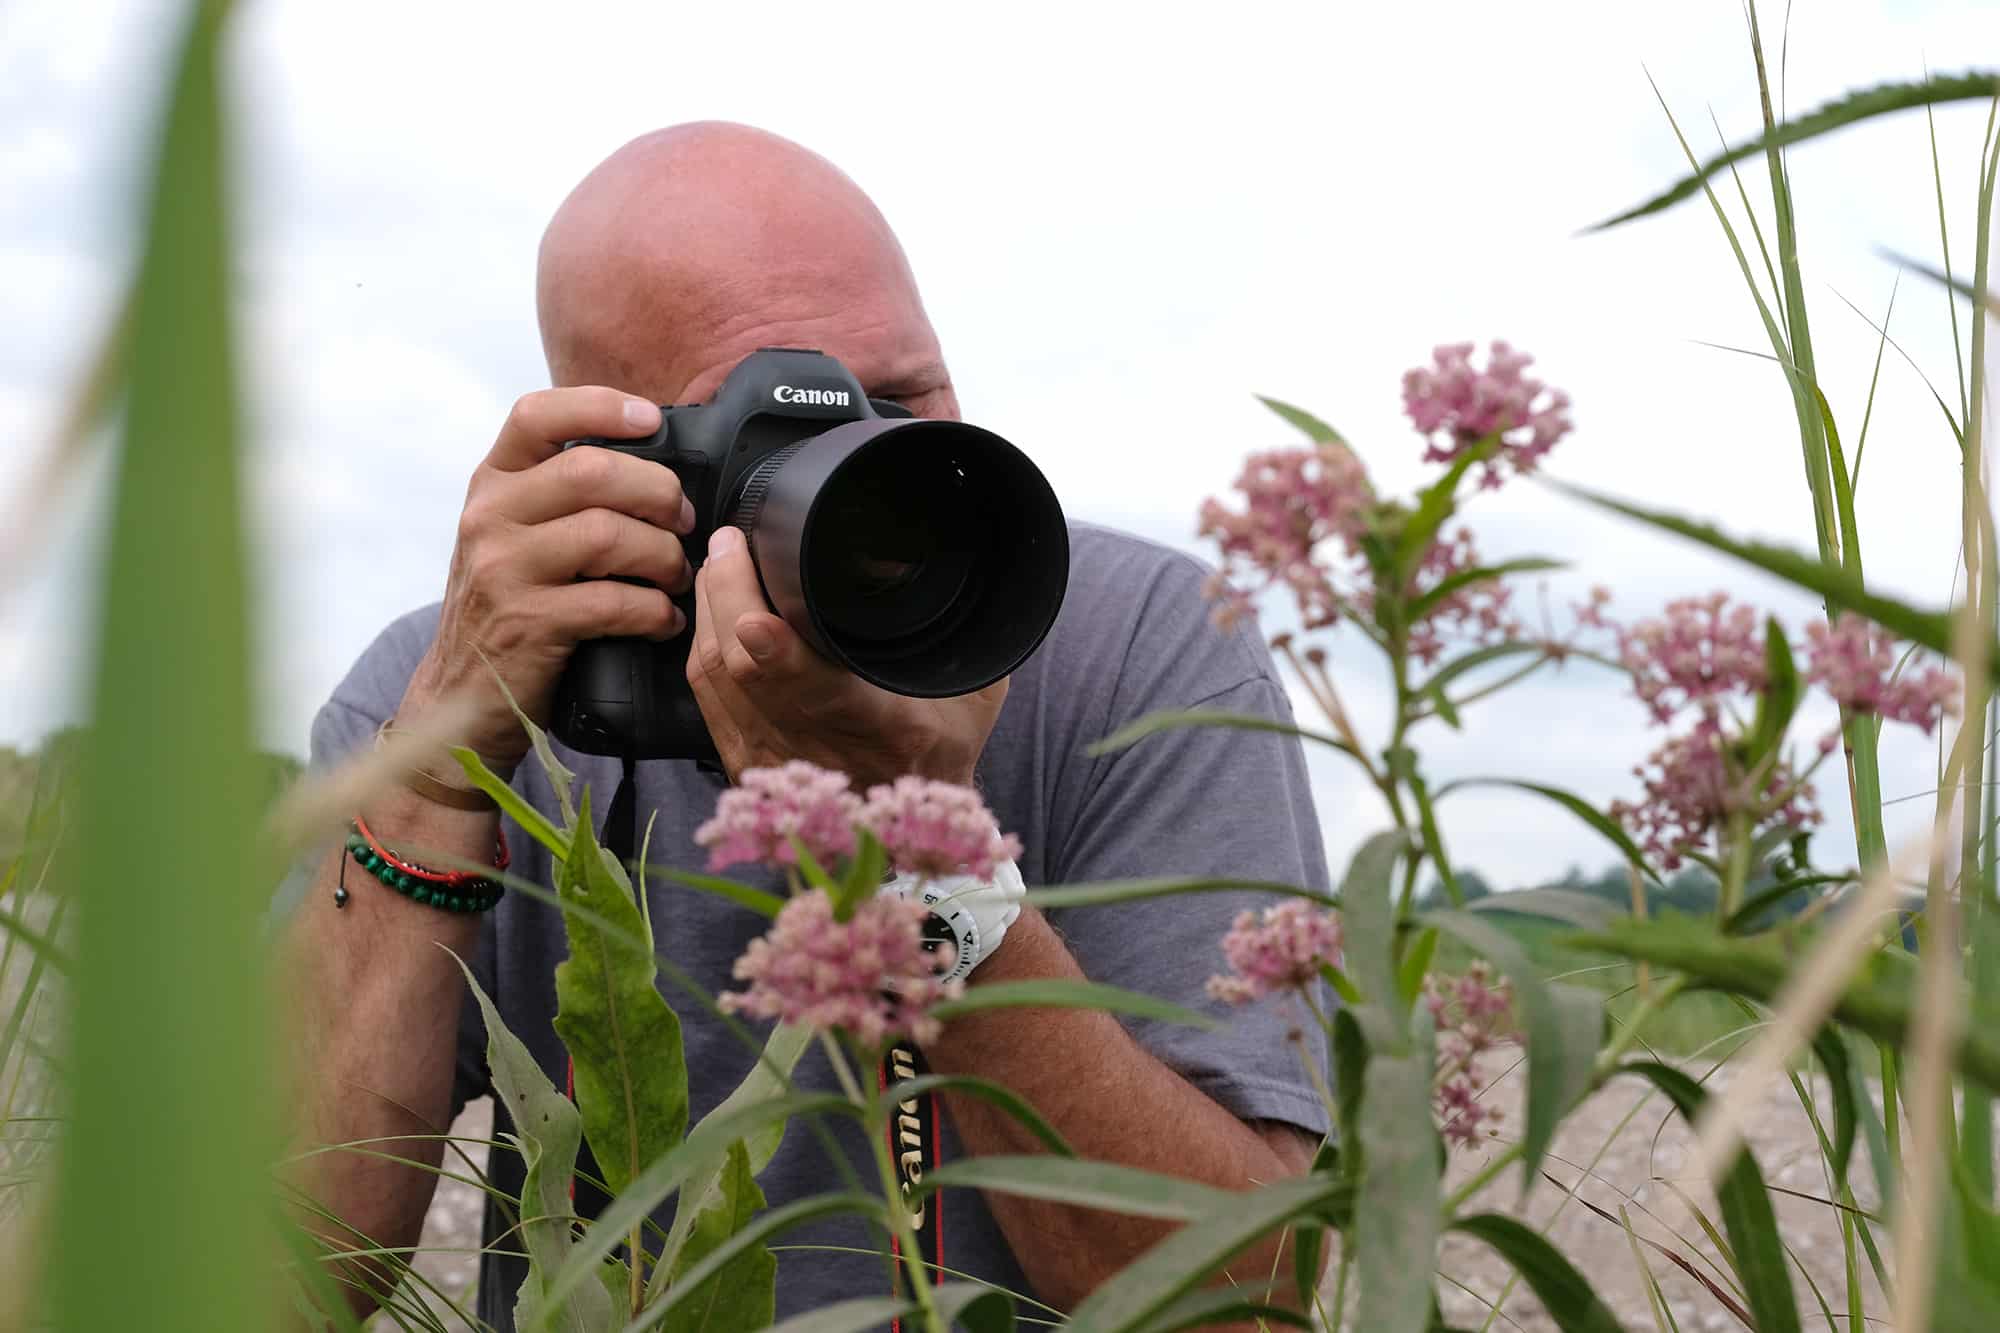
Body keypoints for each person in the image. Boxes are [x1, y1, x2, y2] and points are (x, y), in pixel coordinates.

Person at [288, 121, 1331, 1329]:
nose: (864, 468)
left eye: (898, 397)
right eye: (766, 441)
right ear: (604, 457)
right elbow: (260, 1281)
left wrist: (928, 862)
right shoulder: (468, 691)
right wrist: (437, 781)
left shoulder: (1137, 645)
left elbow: (1238, 1307)